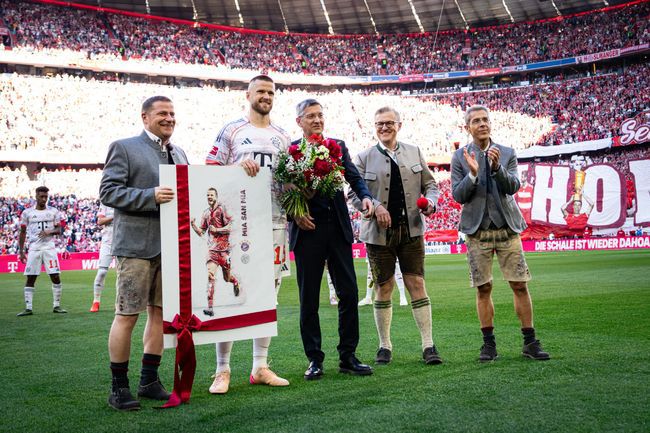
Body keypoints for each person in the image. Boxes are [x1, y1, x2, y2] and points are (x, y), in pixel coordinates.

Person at [100, 95, 189, 411]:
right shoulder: (124, 147)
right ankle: (119, 387)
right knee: (127, 315)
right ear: (145, 117)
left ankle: (149, 380)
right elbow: (108, 192)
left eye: (172, 113)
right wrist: (149, 196)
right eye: (162, 113)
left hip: (171, 247)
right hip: (136, 246)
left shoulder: (179, 153)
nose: (169, 118)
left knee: (160, 315)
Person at [205, 75, 290, 394]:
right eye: (261, 91)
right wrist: (237, 170)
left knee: (268, 295)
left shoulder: (283, 136)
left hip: (274, 222)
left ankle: (260, 366)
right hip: (237, 224)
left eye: (271, 92)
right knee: (229, 294)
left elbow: (288, 179)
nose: (266, 96)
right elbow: (209, 168)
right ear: (248, 95)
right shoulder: (232, 130)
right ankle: (222, 370)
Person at [451, 105, 550, 362]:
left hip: (507, 227)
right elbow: (458, 195)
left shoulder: (507, 153)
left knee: (519, 284)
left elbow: (513, 186)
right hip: (477, 231)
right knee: (483, 288)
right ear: (467, 127)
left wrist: (497, 168)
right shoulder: (459, 156)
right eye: (476, 121)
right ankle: (489, 345)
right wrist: (473, 174)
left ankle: (530, 342)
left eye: (485, 119)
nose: (482, 124)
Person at [350, 106, 442, 365]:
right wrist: (373, 206)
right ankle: (384, 345)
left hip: (411, 229)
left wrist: (431, 203)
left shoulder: (414, 151)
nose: (384, 127)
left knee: (417, 284)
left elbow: (431, 185)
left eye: (389, 122)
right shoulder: (363, 157)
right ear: (374, 127)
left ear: (399, 125)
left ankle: (428, 345)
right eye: (379, 123)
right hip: (377, 234)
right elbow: (353, 193)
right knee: (383, 287)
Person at [291, 98, 375, 380]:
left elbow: (354, 177)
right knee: (309, 299)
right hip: (307, 231)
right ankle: (314, 359)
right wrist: (296, 213)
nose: (317, 120)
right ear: (299, 121)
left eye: (320, 115)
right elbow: (283, 190)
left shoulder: (337, 146)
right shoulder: (291, 151)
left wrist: (365, 196)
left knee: (349, 293)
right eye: (310, 116)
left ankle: (348, 356)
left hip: (338, 228)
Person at [17, 185, 67, 316]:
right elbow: (22, 232)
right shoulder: (27, 213)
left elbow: (59, 230)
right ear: (36, 196)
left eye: (46, 197)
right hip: (34, 248)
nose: (44, 199)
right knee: (31, 277)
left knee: (55, 276)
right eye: (41, 196)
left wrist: (49, 231)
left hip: (49, 247)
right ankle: (28, 308)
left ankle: (57, 306)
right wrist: (21, 252)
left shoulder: (54, 211)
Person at [191, 187, 240, 317]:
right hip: (212, 250)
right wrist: (193, 225)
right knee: (210, 276)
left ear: (216, 196)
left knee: (227, 278)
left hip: (224, 251)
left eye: (211, 195)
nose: (209, 197)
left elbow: (231, 226)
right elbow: (202, 232)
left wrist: (217, 230)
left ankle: (235, 281)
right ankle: (210, 307)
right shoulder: (205, 213)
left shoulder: (222, 209)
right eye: (208, 195)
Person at [90, 204, 114, 312]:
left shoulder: (125, 199)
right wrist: (115, 216)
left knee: (122, 273)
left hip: (122, 241)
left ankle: (119, 302)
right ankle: (96, 301)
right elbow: (100, 221)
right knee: (102, 272)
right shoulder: (105, 202)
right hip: (107, 241)